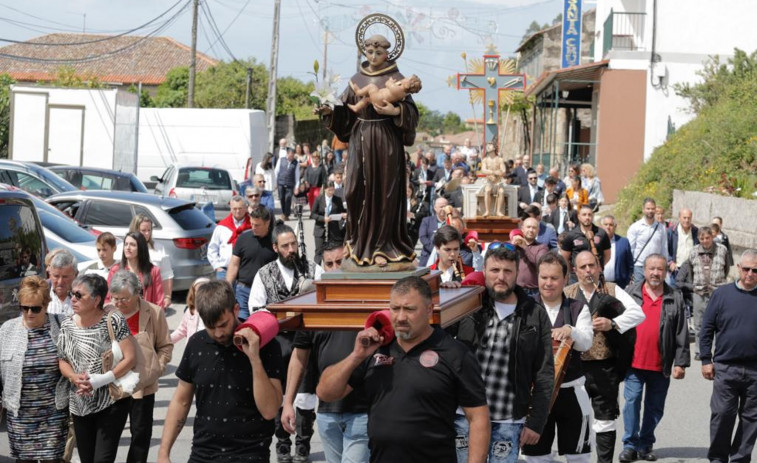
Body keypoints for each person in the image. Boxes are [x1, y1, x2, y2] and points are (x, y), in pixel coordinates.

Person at [317, 276, 490, 463]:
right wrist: (356, 356)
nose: (400, 317)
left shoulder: (455, 353)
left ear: (429, 310)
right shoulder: (375, 349)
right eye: (395, 308)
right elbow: (325, 393)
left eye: (409, 309)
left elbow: (478, 418)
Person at [316, 34, 419, 269]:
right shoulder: (356, 78)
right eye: (369, 52)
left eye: (378, 52)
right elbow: (345, 109)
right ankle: (357, 243)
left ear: (388, 53)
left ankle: (384, 246)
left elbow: (412, 113)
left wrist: (395, 112)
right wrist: (329, 111)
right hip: (360, 140)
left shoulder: (398, 78)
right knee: (353, 191)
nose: (373, 57)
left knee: (385, 194)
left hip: (386, 142)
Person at [157, 280, 284, 463]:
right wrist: (163, 453)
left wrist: (254, 359)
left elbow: (270, 411)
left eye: (223, 325)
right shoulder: (196, 343)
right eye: (210, 327)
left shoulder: (266, 346)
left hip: (250, 454)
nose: (218, 333)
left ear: (236, 309)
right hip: (202, 454)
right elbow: (181, 401)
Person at [454, 245, 554, 462]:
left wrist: (536, 422)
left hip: (508, 420)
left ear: (517, 274)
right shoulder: (469, 305)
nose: (501, 277)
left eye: (507, 271)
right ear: (485, 272)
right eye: (495, 270)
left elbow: (544, 373)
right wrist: (449, 293)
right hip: (465, 415)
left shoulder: (534, 314)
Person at [281, 243, 369, 463]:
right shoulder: (313, 306)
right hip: (327, 413)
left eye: (340, 262)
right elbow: (299, 358)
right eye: (329, 264)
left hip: (362, 411)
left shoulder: (367, 299)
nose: (335, 268)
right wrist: (288, 403)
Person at [249, 224, 323, 462]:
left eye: (293, 244)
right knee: (279, 396)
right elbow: (255, 309)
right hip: (276, 343)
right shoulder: (264, 274)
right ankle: (282, 445)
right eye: (285, 246)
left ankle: (302, 445)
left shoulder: (313, 269)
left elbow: (326, 299)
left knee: (305, 395)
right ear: (275, 248)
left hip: (305, 344)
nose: (291, 249)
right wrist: (284, 317)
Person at [563, 251, 645, 463]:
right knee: (575, 419)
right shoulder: (567, 293)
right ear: (575, 271)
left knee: (605, 419)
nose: (588, 270)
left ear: (599, 268)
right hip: (574, 367)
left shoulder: (612, 289)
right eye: (583, 267)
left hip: (604, 366)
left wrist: (613, 324)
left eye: (592, 265)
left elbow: (638, 313)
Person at [57, 274, 137, 463]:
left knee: (102, 459)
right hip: (80, 403)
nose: (73, 299)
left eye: (78, 295)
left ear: (96, 300)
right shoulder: (67, 325)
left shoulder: (113, 319)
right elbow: (62, 360)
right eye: (72, 294)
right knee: (87, 459)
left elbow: (131, 358)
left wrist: (100, 380)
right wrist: (74, 378)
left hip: (111, 401)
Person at [522, 252, 593, 463]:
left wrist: (570, 330)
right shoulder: (525, 308)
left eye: (554, 278)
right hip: (535, 395)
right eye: (544, 277)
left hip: (572, 392)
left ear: (565, 279)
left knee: (579, 456)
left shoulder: (578, 308)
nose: (548, 283)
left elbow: (586, 342)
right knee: (535, 457)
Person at [620, 254, 689, 462]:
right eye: (652, 269)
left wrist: (681, 363)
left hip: (661, 364)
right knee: (631, 402)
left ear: (665, 272)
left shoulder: (674, 296)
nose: (655, 273)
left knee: (655, 407)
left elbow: (681, 332)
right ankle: (630, 445)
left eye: (660, 269)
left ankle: (645, 443)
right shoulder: (630, 293)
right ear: (645, 269)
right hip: (634, 362)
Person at [0, 276, 69, 462]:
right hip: (20, 417)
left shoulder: (63, 325)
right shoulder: (7, 330)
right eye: (24, 308)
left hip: (54, 414)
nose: (29, 313)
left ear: (46, 305)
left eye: (35, 308)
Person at [108, 270, 173, 463]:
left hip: (143, 383)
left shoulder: (153, 312)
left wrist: (157, 368)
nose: (119, 303)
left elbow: (165, 346)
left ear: (137, 293)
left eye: (124, 299)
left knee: (141, 433)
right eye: (115, 298)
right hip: (113, 383)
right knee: (109, 434)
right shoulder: (106, 312)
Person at [699, 249, 757, 462]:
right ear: (739, 268)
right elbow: (706, 329)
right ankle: (718, 458)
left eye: (755, 270)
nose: (750, 273)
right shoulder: (722, 294)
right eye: (747, 269)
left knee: (751, 419)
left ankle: (740, 458)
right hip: (726, 367)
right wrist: (706, 359)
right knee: (722, 415)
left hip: (755, 371)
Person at [675, 226, 729, 360]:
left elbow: (726, 268)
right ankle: (700, 351)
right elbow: (690, 271)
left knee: (719, 323)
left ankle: (718, 351)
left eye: (707, 238)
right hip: (699, 292)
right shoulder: (693, 252)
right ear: (698, 239)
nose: (705, 241)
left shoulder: (722, 250)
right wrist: (695, 286)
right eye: (702, 238)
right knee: (699, 324)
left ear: (712, 237)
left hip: (718, 293)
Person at [226, 207, 277, 319]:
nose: (253, 227)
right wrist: (228, 285)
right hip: (244, 291)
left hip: (266, 292)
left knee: (263, 322)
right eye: (252, 224)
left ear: (267, 223)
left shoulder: (276, 241)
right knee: (242, 323)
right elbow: (234, 264)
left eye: (257, 225)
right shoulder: (243, 239)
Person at [108, 232, 165, 309]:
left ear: (141, 248)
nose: (128, 247)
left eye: (132, 245)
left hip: (145, 316)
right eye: (126, 244)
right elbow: (108, 298)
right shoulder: (115, 270)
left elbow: (159, 301)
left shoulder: (153, 271)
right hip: (121, 316)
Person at [130, 214, 174, 308]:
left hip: (153, 299)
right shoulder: (125, 248)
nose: (147, 233)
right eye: (143, 230)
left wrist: (167, 296)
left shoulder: (158, 248)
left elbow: (167, 274)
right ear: (135, 229)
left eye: (149, 230)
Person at [559, 205, 612, 279]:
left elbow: (607, 255)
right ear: (579, 216)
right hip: (577, 278)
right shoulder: (571, 235)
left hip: (597, 276)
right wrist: (572, 271)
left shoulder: (601, 233)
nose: (587, 217)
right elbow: (564, 257)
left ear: (593, 216)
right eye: (584, 215)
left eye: (589, 215)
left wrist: (598, 267)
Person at [207, 195, 250, 282]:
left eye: (240, 208)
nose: (237, 211)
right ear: (230, 208)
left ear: (246, 208)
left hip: (245, 270)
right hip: (224, 271)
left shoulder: (252, 226)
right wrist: (217, 266)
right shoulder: (222, 227)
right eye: (234, 208)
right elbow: (212, 248)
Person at [627, 198, 670, 284]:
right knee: (638, 294)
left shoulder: (661, 228)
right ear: (643, 209)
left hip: (656, 268)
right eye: (648, 208)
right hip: (639, 267)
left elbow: (664, 248)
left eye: (652, 208)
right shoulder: (635, 227)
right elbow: (630, 249)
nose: (650, 211)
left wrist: (665, 266)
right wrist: (630, 268)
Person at [511, 218, 549, 298]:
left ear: (538, 230)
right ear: (522, 229)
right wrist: (512, 246)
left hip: (534, 291)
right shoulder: (514, 245)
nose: (531, 230)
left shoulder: (542, 247)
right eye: (528, 227)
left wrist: (525, 247)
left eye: (534, 227)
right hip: (515, 289)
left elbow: (540, 264)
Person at [312, 181, 347, 264]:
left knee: (334, 251)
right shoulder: (319, 199)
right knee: (319, 252)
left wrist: (343, 214)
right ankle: (317, 271)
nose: (331, 192)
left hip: (333, 230)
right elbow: (313, 214)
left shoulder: (337, 199)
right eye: (329, 190)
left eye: (332, 190)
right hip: (320, 229)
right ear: (325, 190)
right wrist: (323, 218)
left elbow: (341, 211)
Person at [170, 277, 210, 344]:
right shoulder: (190, 311)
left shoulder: (214, 310)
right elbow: (181, 330)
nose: (201, 294)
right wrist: (166, 341)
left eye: (204, 291)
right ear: (193, 293)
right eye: (198, 291)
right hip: (192, 348)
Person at [601, 214, 634, 289]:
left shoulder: (623, 242)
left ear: (615, 227)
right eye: (606, 224)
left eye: (611, 225)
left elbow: (630, 264)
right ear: (602, 226)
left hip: (619, 285)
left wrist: (627, 280)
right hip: (601, 285)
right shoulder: (596, 242)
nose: (608, 227)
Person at [666, 208, 699, 280]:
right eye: (684, 218)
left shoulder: (696, 231)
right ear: (679, 218)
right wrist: (670, 262)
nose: (686, 220)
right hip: (676, 270)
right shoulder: (671, 231)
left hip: (691, 270)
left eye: (689, 218)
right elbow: (665, 249)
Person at [418, 197, 450, 266]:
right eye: (441, 207)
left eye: (445, 206)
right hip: (428, 255)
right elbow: (422, 237)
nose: (443, 209)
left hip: (447, 257)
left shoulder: (451, 221)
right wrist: (435, 249)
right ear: (435, 208)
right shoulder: (426, 221)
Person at [479, 143, 508, 216]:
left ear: (494, 148)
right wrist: (494, 172)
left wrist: (499, 173)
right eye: (487, 146)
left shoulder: (500, 159)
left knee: (501, 191)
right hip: (489, 182)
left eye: (490, 145)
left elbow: (503, 171)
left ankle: (498, 211)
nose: (488, 147)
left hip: (498, 182)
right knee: (487, 191)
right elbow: (483, 170)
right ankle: (487, 211)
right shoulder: (485, 160)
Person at [48, 249, 78, 316]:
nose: (60, 282)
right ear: (50, 274)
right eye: (56, 276)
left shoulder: (84, 297)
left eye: (65, 277)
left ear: (76, 275)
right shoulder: (41, 294)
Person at [277, 147, 300, 221]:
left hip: (290, 184)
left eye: (293, 156)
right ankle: (284, 213)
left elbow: (297, 176)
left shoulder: (296, 163)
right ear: (287, 154)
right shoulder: (281, 160)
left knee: (288, 198)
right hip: (281, 183)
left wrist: (297, 186)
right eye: (290, 155)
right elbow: (276, 171)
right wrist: (275, 183)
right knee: (281, 198)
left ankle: (286, 214)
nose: (291, 157)